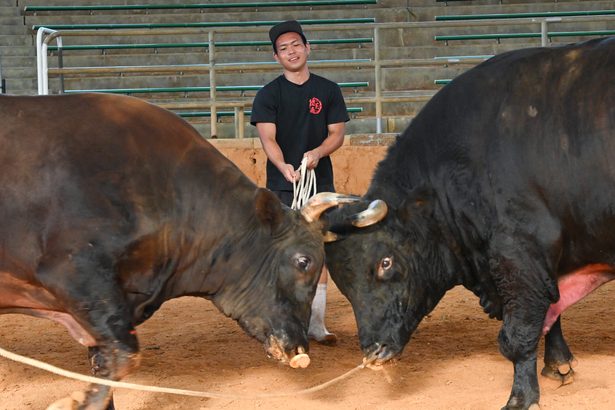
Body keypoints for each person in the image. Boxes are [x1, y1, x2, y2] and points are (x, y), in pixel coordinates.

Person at [250, 20, 349, 345]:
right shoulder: (268, 95)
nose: (291, 51)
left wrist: (318, 152)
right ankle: (282, 322)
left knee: (316, 251)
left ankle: (317, 324)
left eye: (295, 45)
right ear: (276, 57)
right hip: (282, 186)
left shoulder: (327, 90)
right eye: (283, 48)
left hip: (318, 185)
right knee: (283, 253)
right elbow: (269, 139)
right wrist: (283, 166)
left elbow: (336, 134)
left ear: (307, 48)